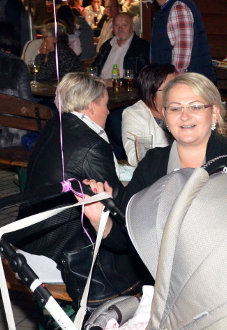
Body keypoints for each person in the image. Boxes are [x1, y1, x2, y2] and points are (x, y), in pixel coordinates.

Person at [79, 72, 227, 246]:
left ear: (214, 113)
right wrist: (98, 218)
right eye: (175, 108)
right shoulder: (153, 163)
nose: (184, 116)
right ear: (165, 116)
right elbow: (127, 239)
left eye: (195, 107)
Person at [13, 72, 146, 304]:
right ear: (91, 105)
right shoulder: (91, 144)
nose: (108, 112)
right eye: (105, 104)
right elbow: (118, 206)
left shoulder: (56, 124)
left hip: (28, 240)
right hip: (57, 254)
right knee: (141, 253)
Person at [149, 0, 215, 82]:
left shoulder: (178, 7)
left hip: (185, 82)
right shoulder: (178, 4)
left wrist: (175, 80)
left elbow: (182, 49)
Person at [122, 64, 177, 166]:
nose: (176, 91)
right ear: (151, 92)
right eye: (168, 88)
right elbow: (134, 157)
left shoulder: (184, 109)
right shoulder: (134, 114)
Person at [92, 12, 150, 79]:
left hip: (125, 85)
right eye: (117, 25)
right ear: (113, 28)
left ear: (132, 27)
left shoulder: (142, 47)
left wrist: (118, 82)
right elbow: (94, 68)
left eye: (124, 25)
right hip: (100, 83)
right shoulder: (107, 45)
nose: (120, 29)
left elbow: (144, 76)